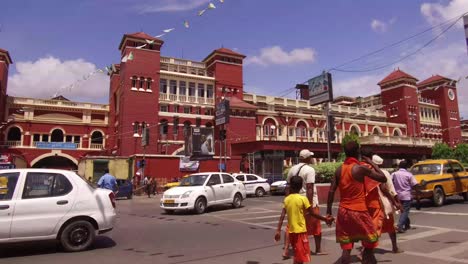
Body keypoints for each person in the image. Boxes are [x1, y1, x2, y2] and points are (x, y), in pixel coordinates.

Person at [326, 141, 387, 264]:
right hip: (359, 210)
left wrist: (328, 212)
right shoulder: (360, 169)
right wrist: (371, 163)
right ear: (357, 152)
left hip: (343, 212)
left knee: (347, 248)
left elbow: (331, 191)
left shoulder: (339, 170)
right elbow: (382, 178)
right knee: (370, 242)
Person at [274, 176, 334, 264]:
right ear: (301, 186)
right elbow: (312, 213)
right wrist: (325, 219)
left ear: (291, 186)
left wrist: (278, 230)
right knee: (301, 256)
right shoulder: (303, 199)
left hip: (291, 233)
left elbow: (282, 216)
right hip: (300, 233)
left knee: (297, 255)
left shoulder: (287, 199)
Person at [284, 149, 324, 257]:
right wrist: (309, 206)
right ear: (306, 158)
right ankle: (318, 249)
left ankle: (286, 250)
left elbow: (288, 186)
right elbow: (310, 188)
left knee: (291, 226)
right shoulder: (309, 170)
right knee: (316, 226)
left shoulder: (292, 169)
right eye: (310, 157)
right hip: (307, 201)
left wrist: (287, 201)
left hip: (294, 201)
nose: (311, 158)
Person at [372, 155, 403, 253]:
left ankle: (395, 247)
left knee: (378, 228)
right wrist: (396, 202)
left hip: (372, 204)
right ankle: (394, 247)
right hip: (383, 205)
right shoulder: (384, 173)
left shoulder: (367, 173)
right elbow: (389, 189)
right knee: (380, 229)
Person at [392, 160, 420, 233]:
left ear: (399, 166)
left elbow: (390, 183)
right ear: (407, 167)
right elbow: (415, 185)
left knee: (403, 211)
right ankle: (400, 225)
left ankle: (407, 224)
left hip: (397, 195)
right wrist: (417, 195)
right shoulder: (409, 175)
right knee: (405, 211)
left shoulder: (394, 174)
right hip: (406, 196)